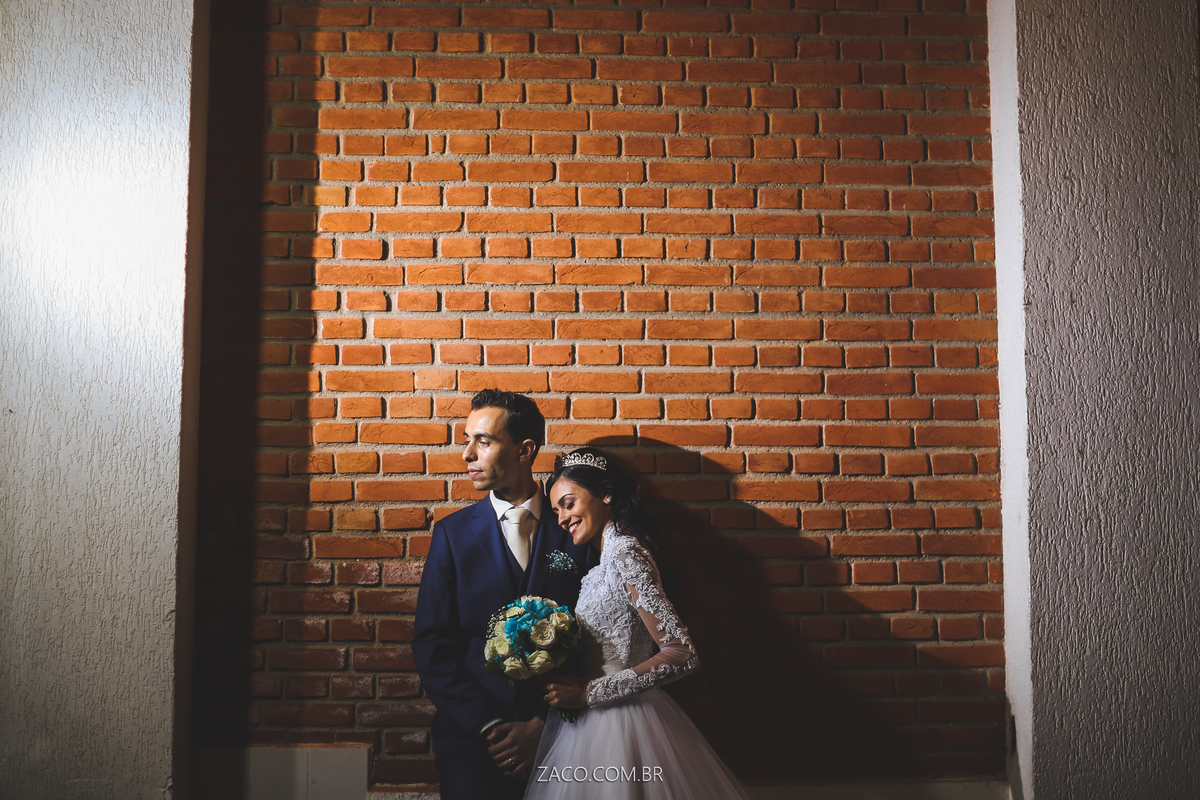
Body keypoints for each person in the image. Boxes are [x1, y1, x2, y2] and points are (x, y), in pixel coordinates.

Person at [527, 446, 752, 800]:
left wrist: (588, 693)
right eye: (556, 511)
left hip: (624, 724)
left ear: (606, 493)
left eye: (568, 504)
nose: (562, 519)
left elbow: (681, 653)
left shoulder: (625, 553)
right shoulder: (602, 563)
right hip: (589, 723)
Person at [413, 390, 600, 800]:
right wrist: (490, 727)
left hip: (568, 733)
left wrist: (542, 722)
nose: (467, 454)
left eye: (483, 441)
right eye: (467, 440)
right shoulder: (452, 534)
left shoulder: (575, 528)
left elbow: (597, 639)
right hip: (474, 742)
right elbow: (431, 643)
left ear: (525, 450)